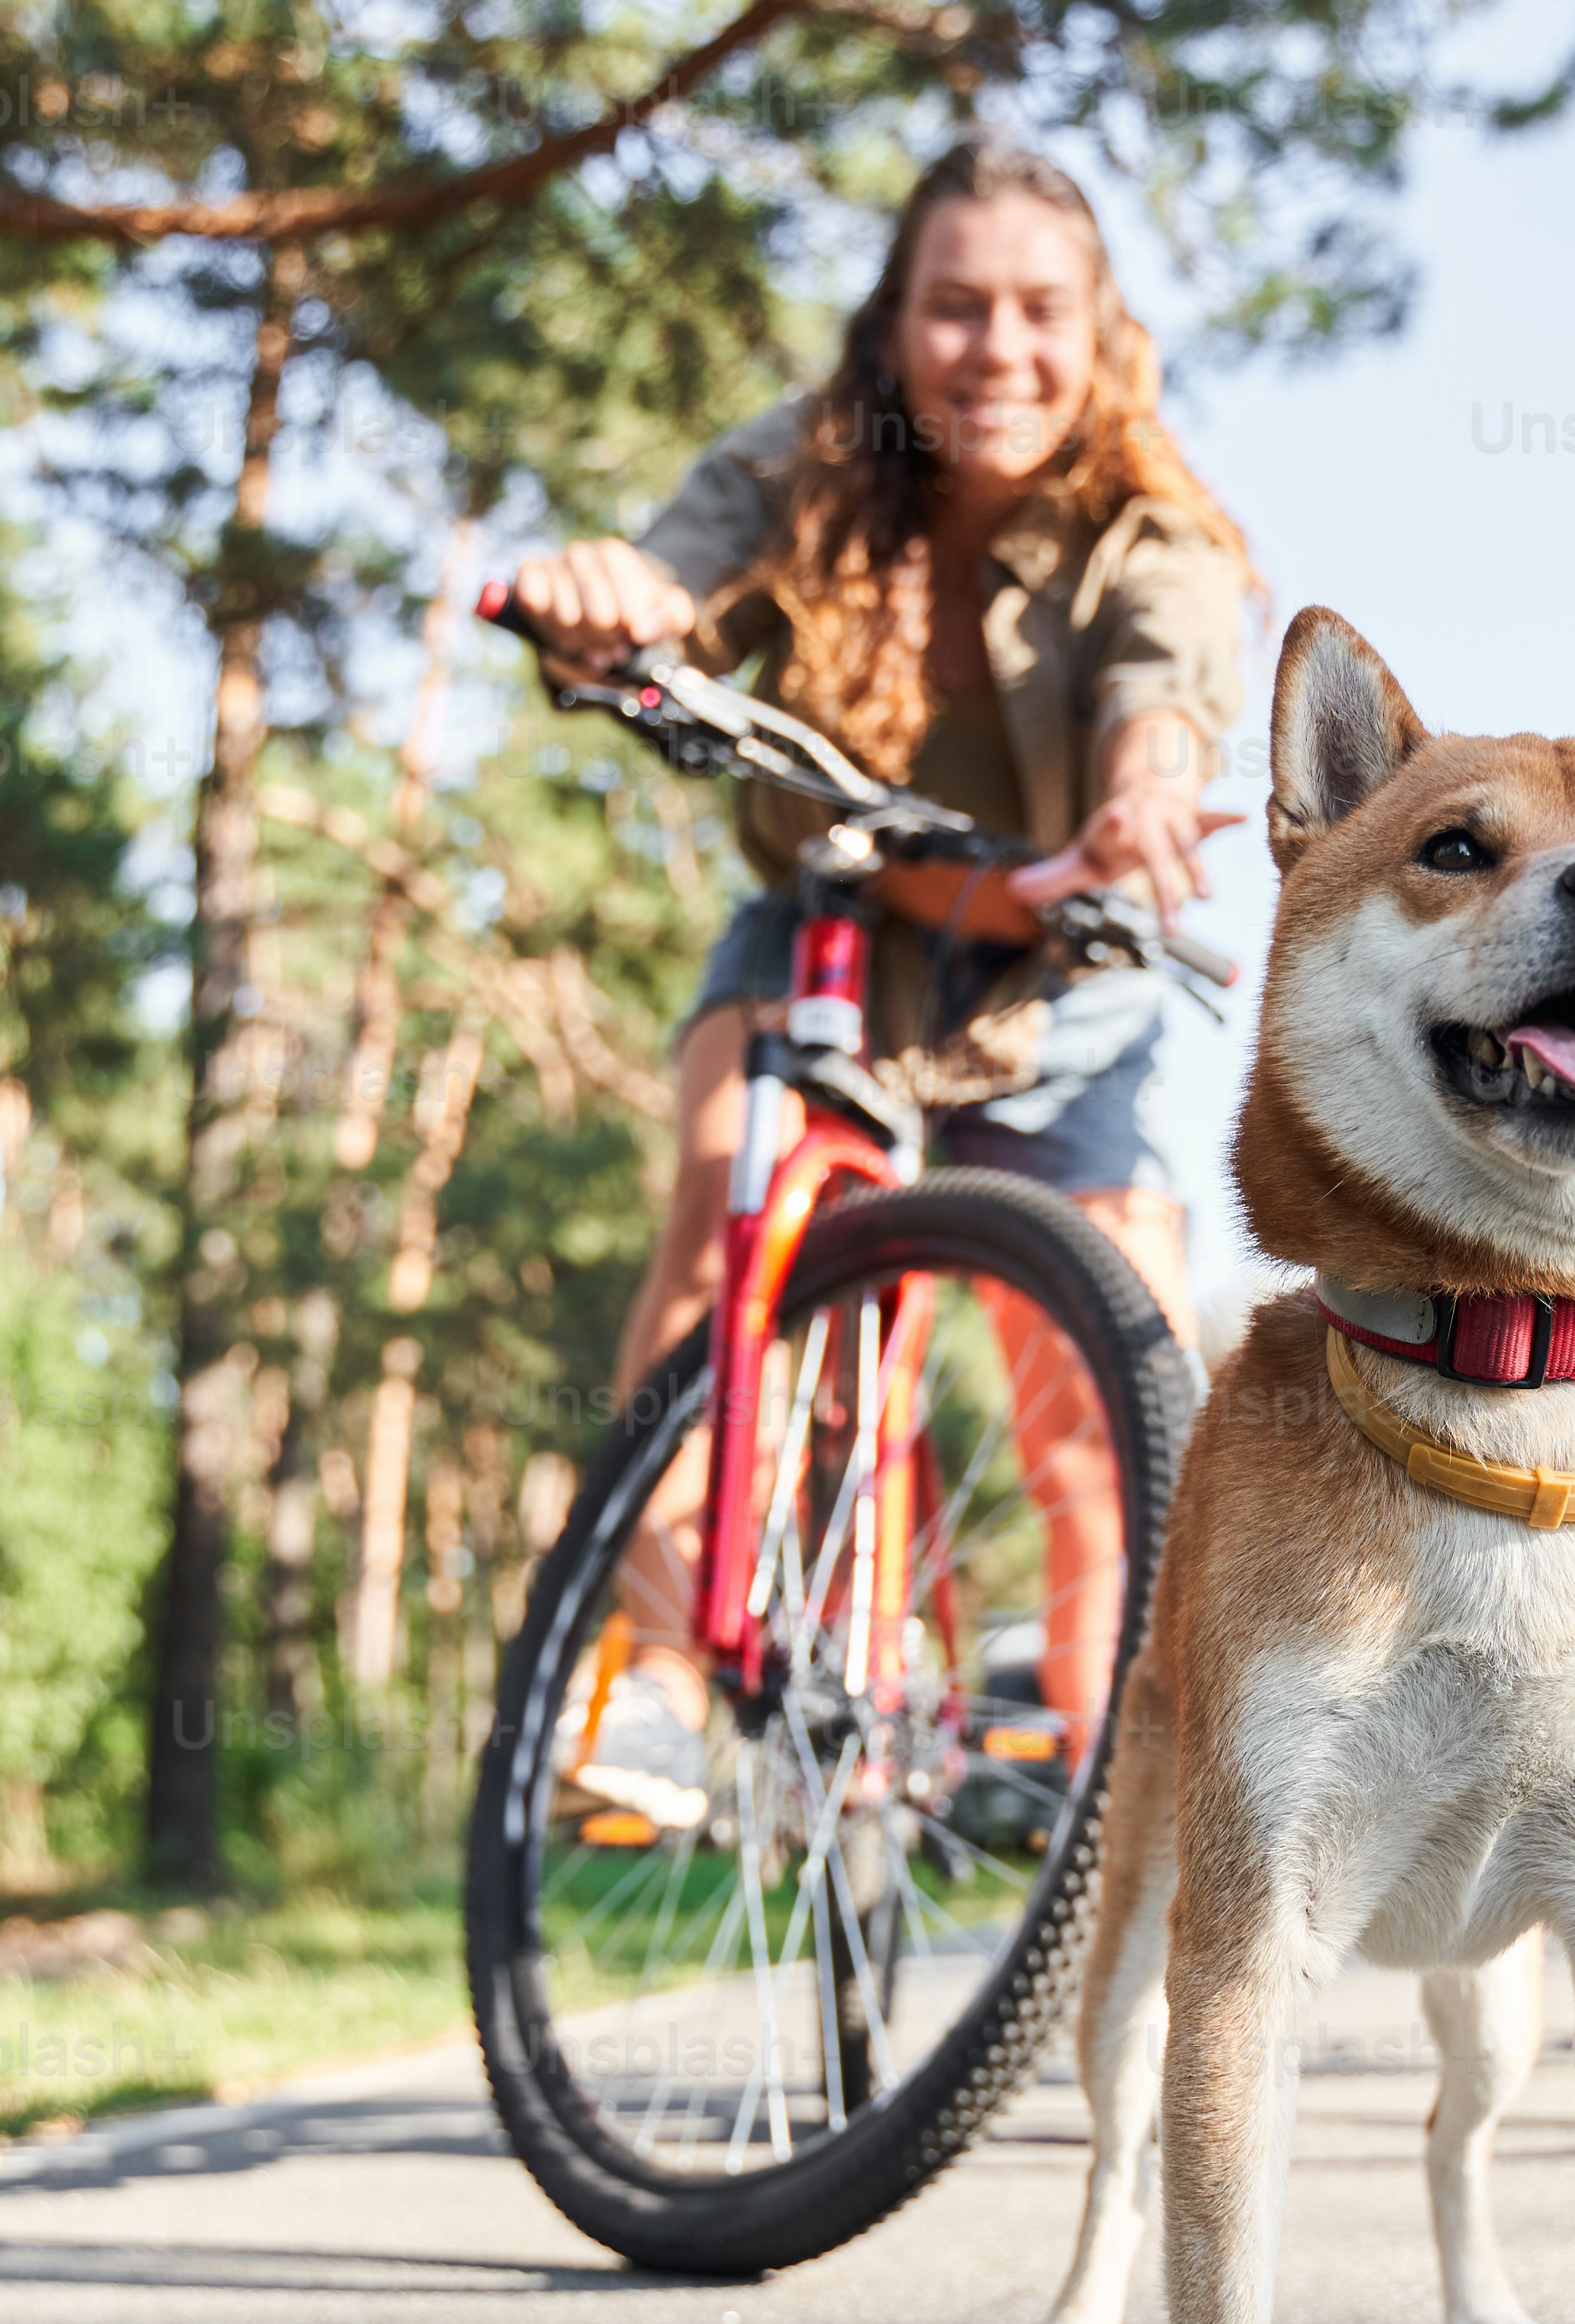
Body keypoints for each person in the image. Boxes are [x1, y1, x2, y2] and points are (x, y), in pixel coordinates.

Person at [503, 138, 1251, 1808]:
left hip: (1061, 979)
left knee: (1098, 1389)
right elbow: (660, 585)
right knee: (720, 1226)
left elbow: (1163, 673)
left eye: (1039, 312)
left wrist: (1143, 781)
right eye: (955, 307)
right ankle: (673, 1671)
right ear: (895, 323)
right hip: (837, 925)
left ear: (1100, 329)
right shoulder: (809, 464)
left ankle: (1124, 1783)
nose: (998, 351)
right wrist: (608, 596)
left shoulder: (1151, 524)